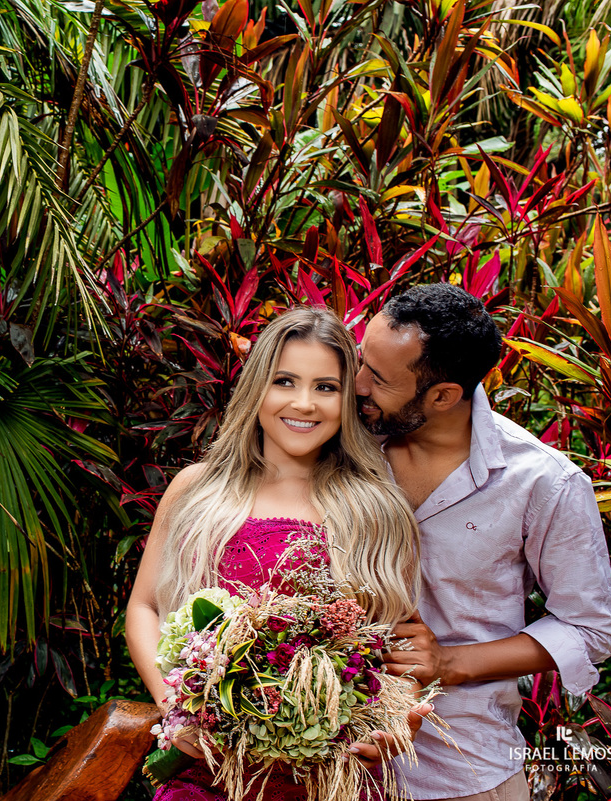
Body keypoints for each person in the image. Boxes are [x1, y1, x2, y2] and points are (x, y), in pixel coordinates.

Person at [125, 307, 425, 801]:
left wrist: (396, 719)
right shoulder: (196, 491)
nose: (304, 404)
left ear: (347, 400)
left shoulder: (376, 507)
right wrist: (173, 706)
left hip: (334, 776)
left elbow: (399, 643)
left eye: (326, 387)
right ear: (257, 388)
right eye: (285, 381)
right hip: (209, 769)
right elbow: (145, 607)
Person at [355, 284, 611, 801]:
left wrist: (451, 664)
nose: (357, 383)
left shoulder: (543, 483)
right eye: (362, 361)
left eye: (378, 378)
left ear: (443, 396)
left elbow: (592, 628)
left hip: (464, 771)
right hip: (324, 765)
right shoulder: (346, 443)